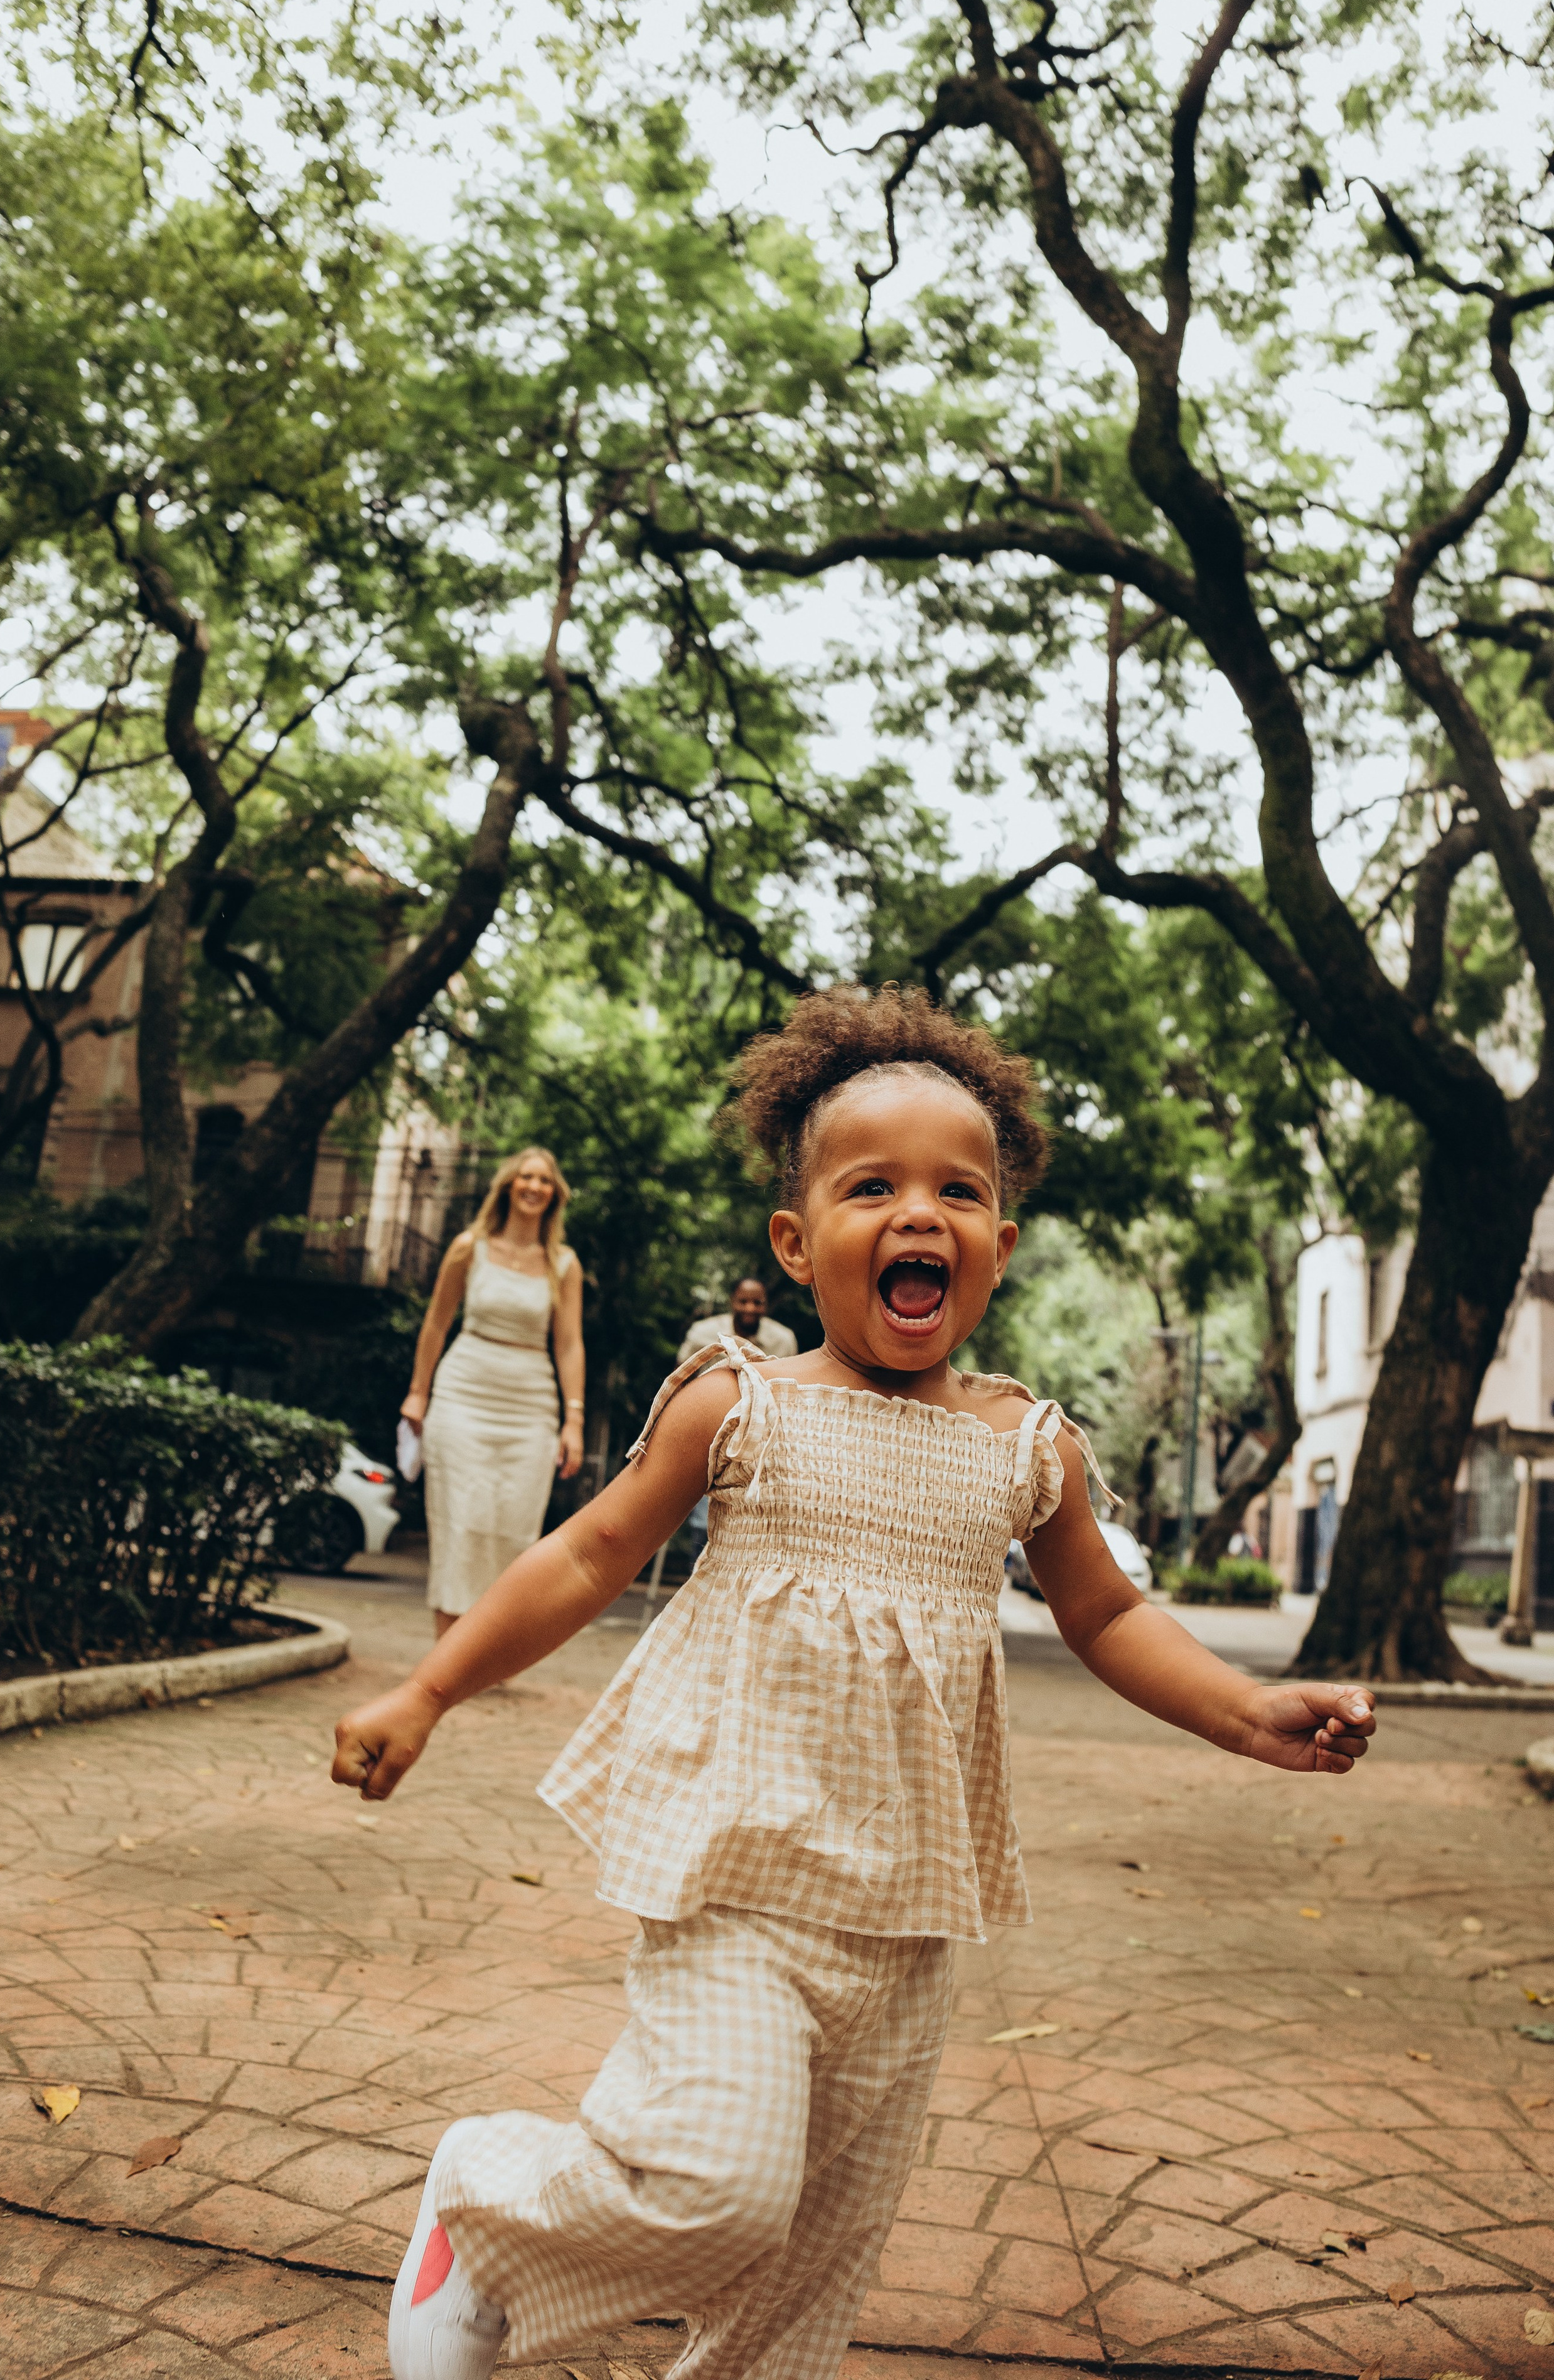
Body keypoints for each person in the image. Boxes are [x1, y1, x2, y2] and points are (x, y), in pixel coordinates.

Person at [333, 986, 1376, 2380]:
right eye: (869, 1185)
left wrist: (1246, 1710)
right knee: (712, 2184)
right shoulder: (739, 1402)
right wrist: (429, 1691)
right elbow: (585, 1555)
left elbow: (1105, 1610)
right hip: (735, 1883)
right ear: (796, 1237)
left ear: (996, 1246)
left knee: (811, 2263)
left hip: (904, 1913)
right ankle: (486, 2198)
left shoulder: (1026, 1447)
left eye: (957, 1190)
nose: (916, 1214)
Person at [400, 1146, 585, 1640]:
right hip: (465, 1390)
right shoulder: (469, 1246)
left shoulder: (562, 1263)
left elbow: (569, 1344)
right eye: (525, 1177)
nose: (533, 1186)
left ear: (554, 1194)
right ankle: (447, 1649)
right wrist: (418, 1393)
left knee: (513, 1528)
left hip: (531, 1403)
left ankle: (489, 1650)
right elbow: (436, 1324)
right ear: (508, 1186)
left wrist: (574, 1421)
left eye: (544, 1180)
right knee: (459, 1519)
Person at [677, 1273, 798, 1366]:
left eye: (757, 1303)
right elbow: (679, 1378)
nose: (750, 1308)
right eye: (743, 1302)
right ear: (732, 1301)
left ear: (766, 1305)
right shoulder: (702, 1332)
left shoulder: (784, 1340)